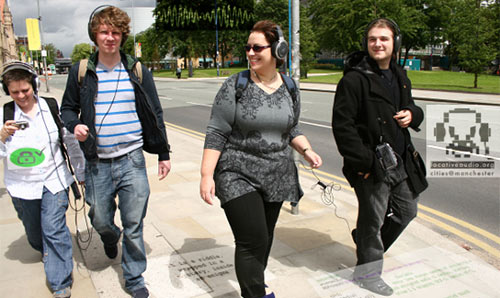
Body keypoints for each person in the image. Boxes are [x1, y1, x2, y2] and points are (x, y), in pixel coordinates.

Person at [200, 20, 322, 298]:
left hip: (277, 175)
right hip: (236, 172)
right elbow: (217, 131)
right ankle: (255, 294)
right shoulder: (235, 85)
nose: (251, 53)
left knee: (264, 240)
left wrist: (306, 150)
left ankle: (254, 282)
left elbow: (292, 128)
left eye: (257, 48)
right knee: (251, 240)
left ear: (277, 50)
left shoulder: (290, 87)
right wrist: (206, 175)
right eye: (248, 48)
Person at [60, 6, 171, 298]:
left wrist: (163, 153)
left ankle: (134, 279)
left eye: (116, 32)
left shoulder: (137, 70)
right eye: (104, 32)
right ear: (95, 35)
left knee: (134, 223)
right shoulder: (81, 71)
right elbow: (67, 109)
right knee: (99, 218)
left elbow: (155, 112)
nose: (110, 38)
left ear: (122, 36)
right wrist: (75, 126)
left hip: (132, 159)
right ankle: (110, 236)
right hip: (97, 162)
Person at [332, 18, 425, 296]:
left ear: (395, 43)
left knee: (408, 211)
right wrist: (366, 164)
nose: (377, 44)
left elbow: (410, 106)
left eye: (384, 39)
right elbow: (343, 127)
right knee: (372, 222)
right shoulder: (354, 79)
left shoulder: (399, 74)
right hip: (372, 165)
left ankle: (364, 243)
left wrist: (413, 114)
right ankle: (368, 275)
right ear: (366, 43)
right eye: (373, 39)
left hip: (401, 161)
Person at [0, 61, 85, 298]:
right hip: (22, 186)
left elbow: (69, 142)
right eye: (15, 92)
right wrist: (2, 136)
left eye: (25, 90)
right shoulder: (4, 114)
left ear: (34, 85)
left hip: (54, 179)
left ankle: (60, 282)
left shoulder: (50, 107)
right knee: (36, 234)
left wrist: (80, 172)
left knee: (54, 229)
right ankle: (45, 251)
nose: (21, 96)